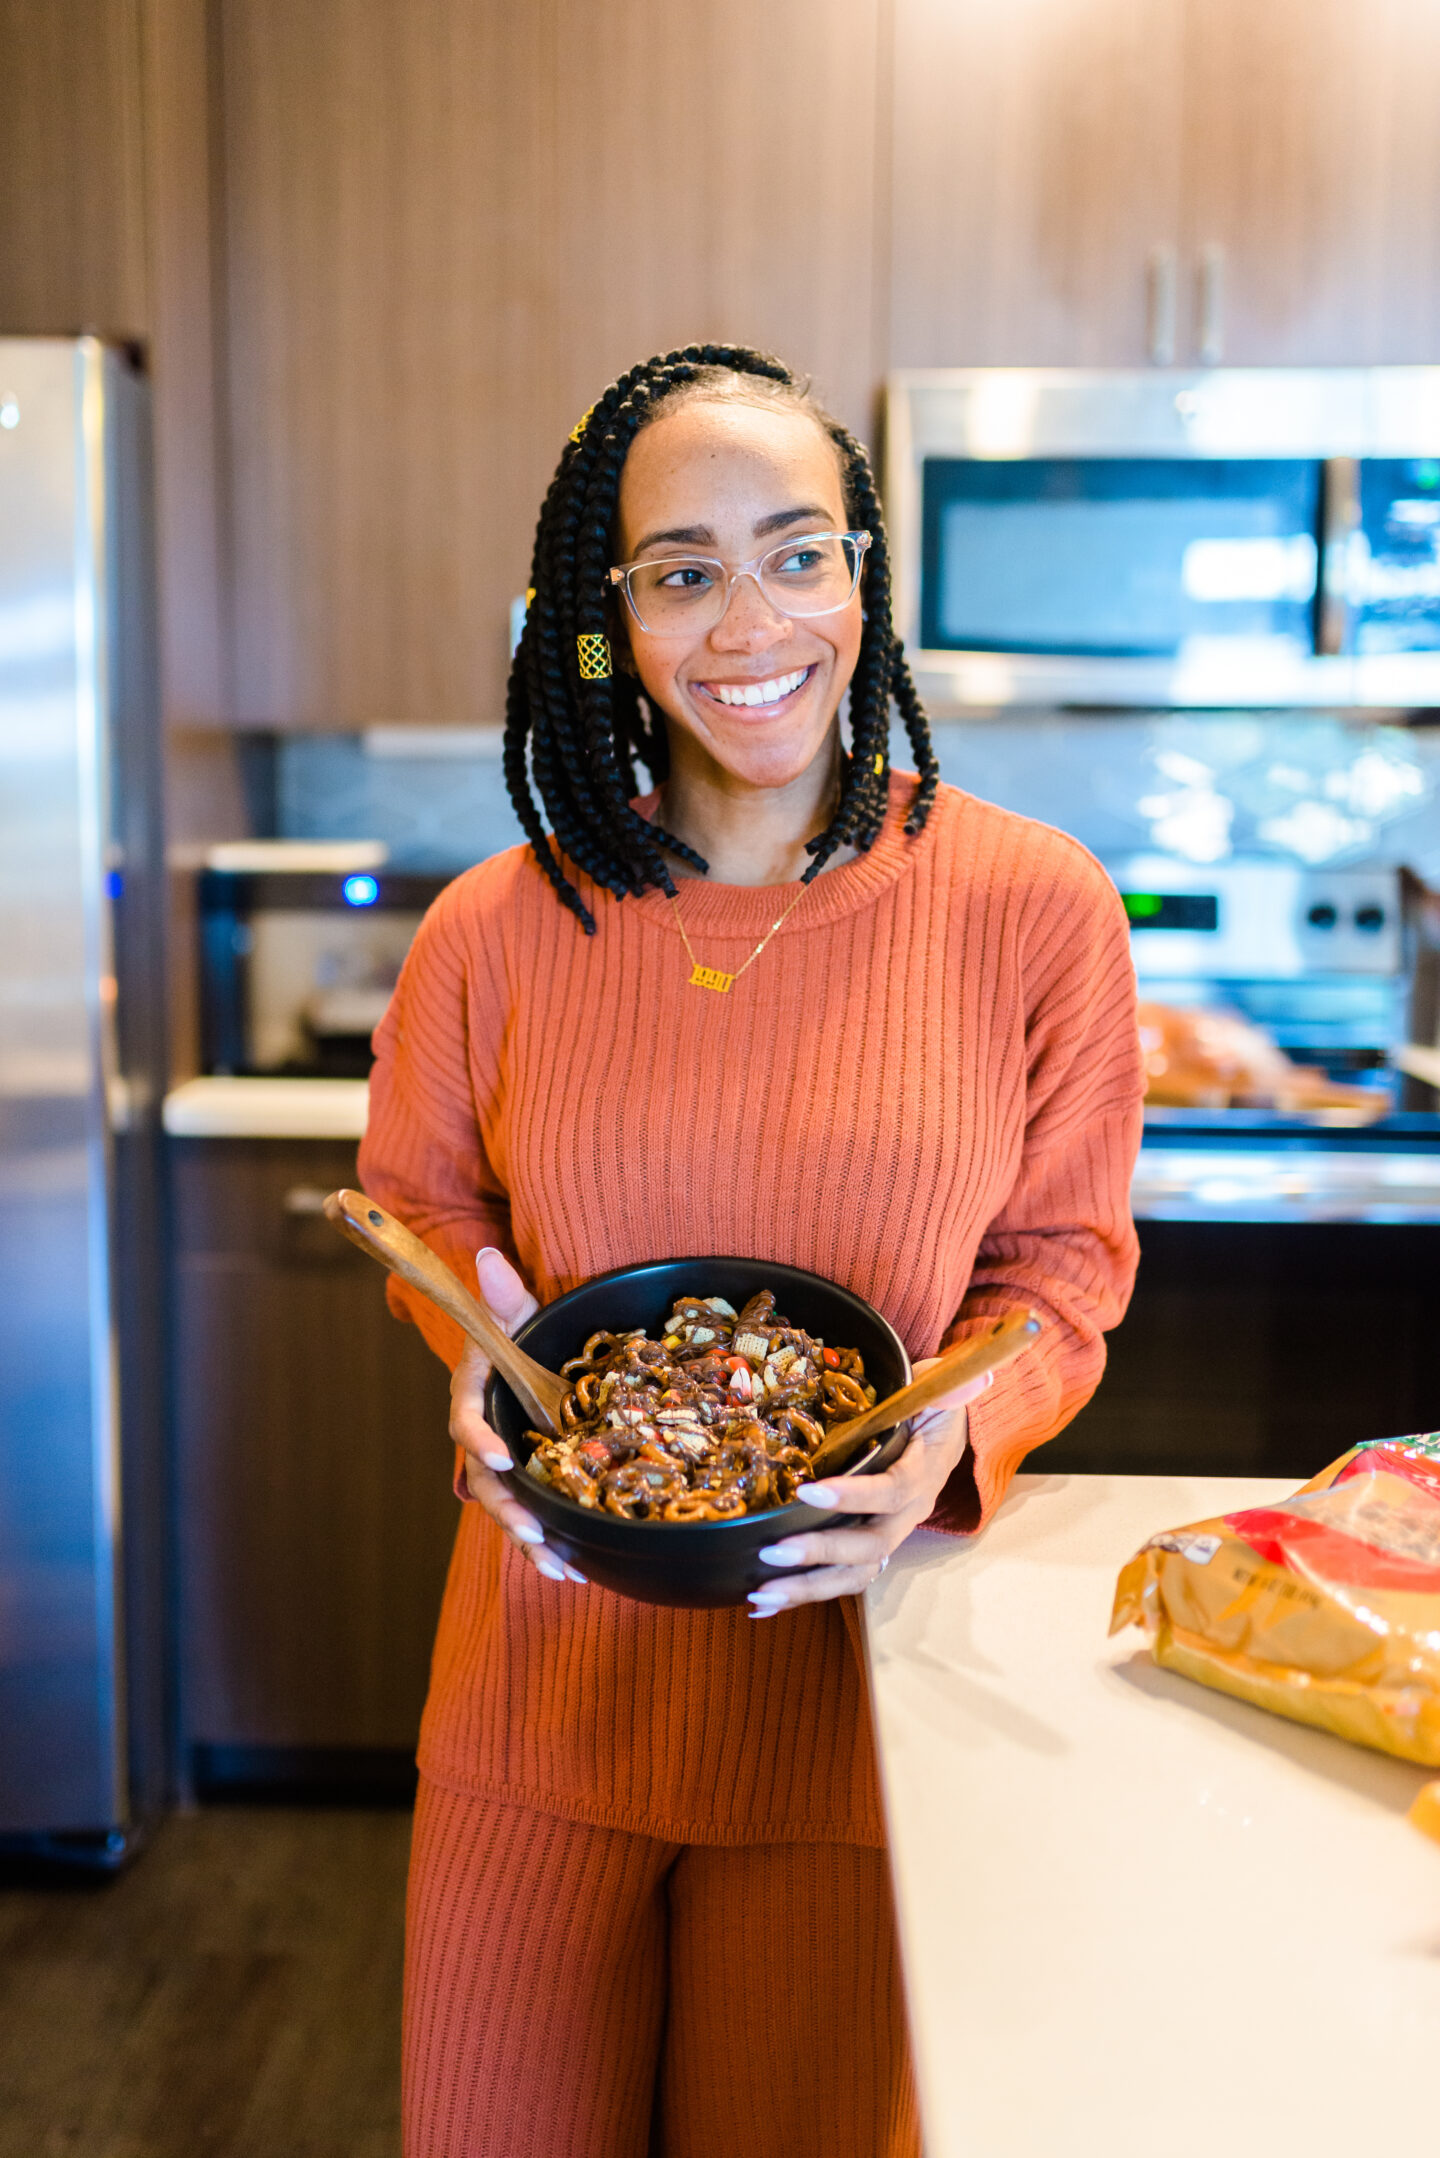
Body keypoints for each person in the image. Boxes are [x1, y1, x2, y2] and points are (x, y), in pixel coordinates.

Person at [358, 342, 1144, 2157]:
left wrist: (959, 1427)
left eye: (798, 552)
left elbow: (1062, 1266)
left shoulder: (1034, 906)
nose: (748, 619)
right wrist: (473, 1353)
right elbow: (423, 1208)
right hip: (537, 1705)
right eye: (682, 570)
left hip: (852, 1708)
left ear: (863, 575)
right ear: (604, 618)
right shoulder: (496, 926)